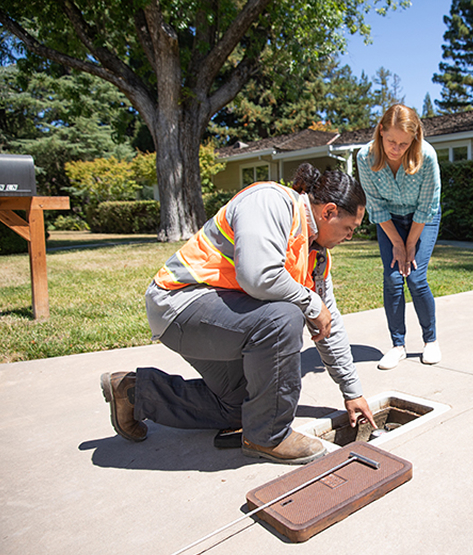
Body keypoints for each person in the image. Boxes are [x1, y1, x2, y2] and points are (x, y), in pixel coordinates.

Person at [100, 164, 376, 465]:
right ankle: (269, 437)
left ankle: (136, 393)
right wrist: (310, 302)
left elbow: (328, 324)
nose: (349, 237)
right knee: (284, 318)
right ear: (329, 212)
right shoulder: (270, 202)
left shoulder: (315, 254)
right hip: (180, 304)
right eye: (349, 229)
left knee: (250, 408)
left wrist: (352, 391)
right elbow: (257, 276)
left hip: (221, 319)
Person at [357, 104, 442, 370]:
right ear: (381, 131)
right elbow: (376, 206)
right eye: (392, 140)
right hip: (389, 220)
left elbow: (426, 207)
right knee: (393, 278)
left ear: (414, 139)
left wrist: (409, 245)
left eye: (404, 143)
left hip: (423, 218)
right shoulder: (365, 158)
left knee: (416, 277)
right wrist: (397, 243)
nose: (396, 149)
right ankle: (398, 346)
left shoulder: (426, 156)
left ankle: (431, 341)